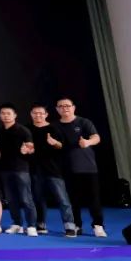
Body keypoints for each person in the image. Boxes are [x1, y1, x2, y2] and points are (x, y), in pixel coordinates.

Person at [56, 98, 106, 237]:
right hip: (67, 168)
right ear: (57, 109)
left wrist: (88, 142)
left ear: (73, 107)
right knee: (73, 200)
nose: (65, 108)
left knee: (93, 199)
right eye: (61, 106)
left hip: (88, 167)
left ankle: (98, 225)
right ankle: (77, 225)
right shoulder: (55, 126)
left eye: (67, 105)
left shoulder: (84, 122)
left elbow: (96, 137)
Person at [29, 104, 77, 237]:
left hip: (53, 169)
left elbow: (62, 145)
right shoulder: (27, 129)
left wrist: (54, 143)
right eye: (35, 113)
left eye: (41, 113)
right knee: (38, 199)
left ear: (46, 114)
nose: (38, 115)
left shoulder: (54, 128)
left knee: (62, 199)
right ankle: (40, 224)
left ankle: (69, 226)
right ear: (31, 114)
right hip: (35, 170)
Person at [0, 103, 38, 236]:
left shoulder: (23, 130)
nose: (6, 116)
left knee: (26, 198)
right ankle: (17, 224)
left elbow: (31, 148)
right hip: (4, 169)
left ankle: (31, 225)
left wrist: (28, 150)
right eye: (3, 113)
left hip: (21, 168)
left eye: (8, 113)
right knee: (11, 199)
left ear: (15, 115)